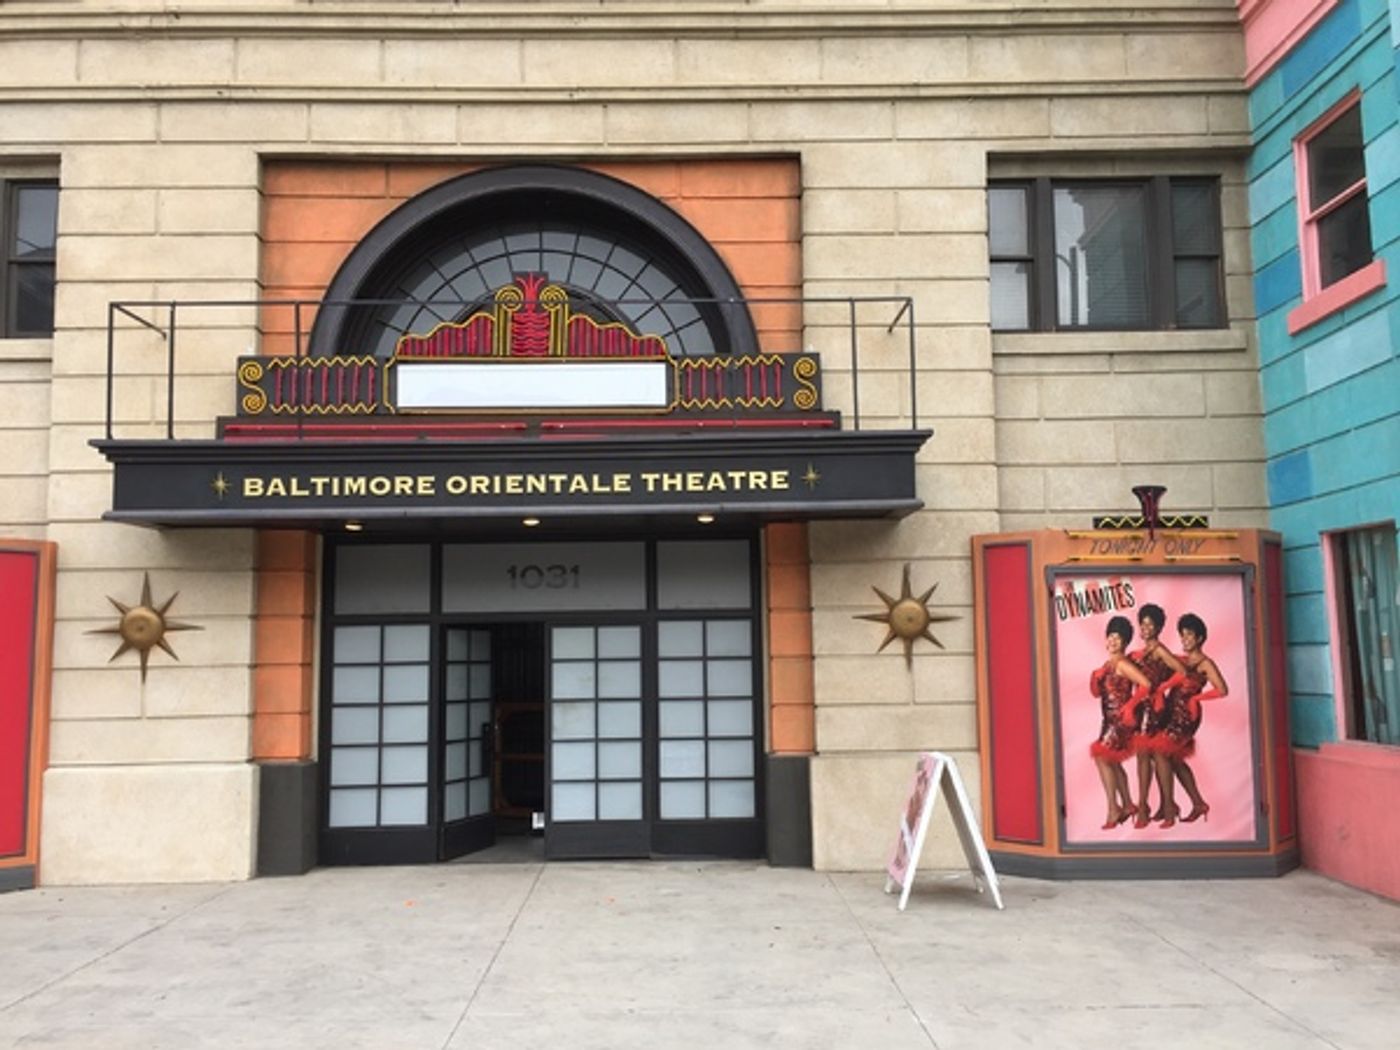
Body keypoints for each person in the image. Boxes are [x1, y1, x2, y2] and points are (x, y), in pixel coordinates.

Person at [1145, 612, 1229, 826]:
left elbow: (1222, 689)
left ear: (1199, 638)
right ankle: (1197, 803)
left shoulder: (1205, 663)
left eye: (1189, 635)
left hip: (1187, 716)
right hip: (1171, 712)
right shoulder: (1181, 660)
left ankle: (1169, 807)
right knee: (1172, 759)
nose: (1185, 639)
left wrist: (1196, 699)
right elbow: (1165, 667)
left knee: (1161, 752)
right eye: (1182, 635)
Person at [1126, 604, 1186, 828]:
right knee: (1143, 757)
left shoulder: (1160, 650)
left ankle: (1168, 807)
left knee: (1159, 756)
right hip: (1142, 708)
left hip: (1158, 708)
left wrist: (1162, 689)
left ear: (1159, 627)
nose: (1146, 627)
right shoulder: (1137, 654)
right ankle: (1147, 806)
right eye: (1143, 623)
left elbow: (1182, 671)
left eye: (1151, 624)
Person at [1089, 616, 1152, 829]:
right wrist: (1094, 677)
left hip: (1121, 720)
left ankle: (1113, 808)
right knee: (1110, 760)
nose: (1114, 641)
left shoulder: (1123, 664)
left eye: (1119, 638)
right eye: (1111, 637)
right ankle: (1126, 804)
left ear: (1125, 643)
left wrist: (1131, 705)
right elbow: (1096, 694)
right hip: (1108, 720)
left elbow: (1146, 684)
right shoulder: (1107, 665)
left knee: (1101, 757)